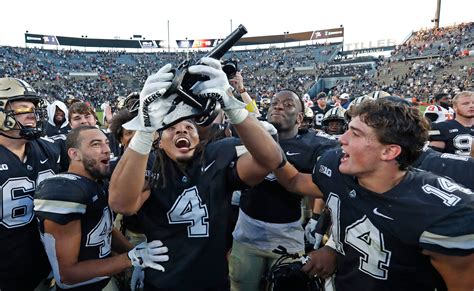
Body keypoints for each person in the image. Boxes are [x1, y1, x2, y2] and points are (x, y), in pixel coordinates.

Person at [109, 58, 285, 290]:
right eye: (171, 128)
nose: (181, 128)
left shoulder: (216, 154)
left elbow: (272, 160)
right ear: (159, 142)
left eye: (189, 127)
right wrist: (144, 129)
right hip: (162, 283)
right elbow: (122, 203)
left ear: (198, 138)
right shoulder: (150, 161)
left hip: (212, 282)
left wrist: (233, 107)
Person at [275, 98, 474, 290]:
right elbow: (295, 182)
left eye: (355, 134)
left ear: (389, 152)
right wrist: (334, 250)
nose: (341, 140)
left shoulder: (439, 211)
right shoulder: (337, 168)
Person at [34, 126, 169, 290]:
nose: (106, 149)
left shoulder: (97, 182)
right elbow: (67, 275)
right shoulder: (63, 191)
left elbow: (105, 229)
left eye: (106, 143)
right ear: (74, 154)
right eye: (96, 144)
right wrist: (130, 258)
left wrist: (136, 254)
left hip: (104, 280)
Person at [229, 89, 338, 291]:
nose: (278, 106)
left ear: (299, 118)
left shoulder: (315, 145)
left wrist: (315, 218)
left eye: (288, 104)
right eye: (274, 103)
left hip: (287, 234)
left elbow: (326, 186)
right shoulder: (249, 134)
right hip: (247, 232)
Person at [0, 77, 63, 291]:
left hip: (45, 269)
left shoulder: (49, 149)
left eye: (34, 108)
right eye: (22, 108)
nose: (32, 114)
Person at [429, 91, 474, 156]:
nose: (472, 105)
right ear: (455, 107)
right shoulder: (441, 128)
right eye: (465, 103)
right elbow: (433, 158)